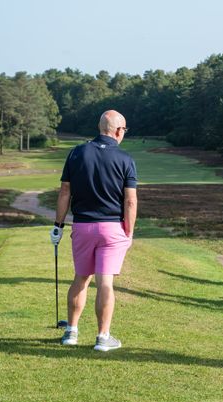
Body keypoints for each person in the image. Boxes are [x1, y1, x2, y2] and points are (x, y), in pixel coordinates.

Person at [51, 110, 137, 351]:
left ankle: (71, 332)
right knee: (105, 283)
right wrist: (128, 232)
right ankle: (102, 337)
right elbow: (130, 202)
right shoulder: (125, 158)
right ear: (118, 130)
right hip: (112, 228)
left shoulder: (77, 153)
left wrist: (58, 226)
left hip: (82, 225)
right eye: (124, 131)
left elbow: (64, 192)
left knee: (81, 278)